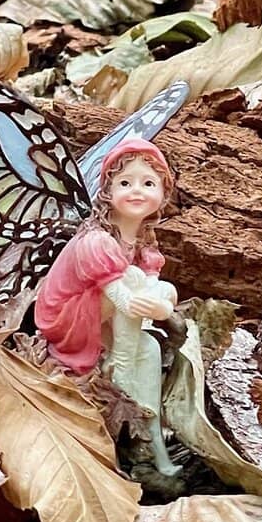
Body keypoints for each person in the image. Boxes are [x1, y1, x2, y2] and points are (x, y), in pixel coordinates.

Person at [34, 137, 180, 475]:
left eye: (148, 183)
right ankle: (119, 369)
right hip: (66, 318)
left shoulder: (143, 241)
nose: (136, 191)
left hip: (107, 318)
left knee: (150, 348)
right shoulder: (96, 240)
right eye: (125, 183)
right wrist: (159, 306)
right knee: (130, 278)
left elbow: (155, 291)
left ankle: (153, 439)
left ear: (162, 191)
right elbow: (126, 300)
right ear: (107, 192)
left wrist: (166, 302)